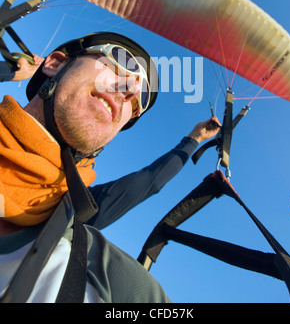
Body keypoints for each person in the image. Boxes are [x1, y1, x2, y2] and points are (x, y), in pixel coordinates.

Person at [0, 31, 220, 303]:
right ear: (55, 63)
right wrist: (9, 70)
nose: (130, 91)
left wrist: (194, 139)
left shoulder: (111, 279)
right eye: (122, 61)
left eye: (140, 101)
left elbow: (148, 182)